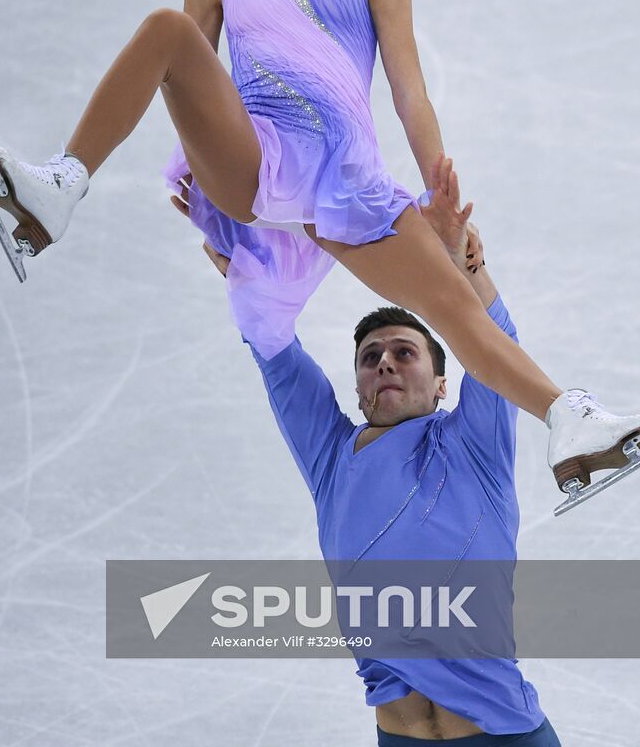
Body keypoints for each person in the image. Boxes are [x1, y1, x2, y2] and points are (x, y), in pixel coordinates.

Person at [0, 0, 640, 513]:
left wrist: (437, 189)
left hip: (347, 177)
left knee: (456, 308)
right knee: (167, 32)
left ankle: (568, 421)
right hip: (259, 159)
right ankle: (61, 186)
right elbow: (190, 86)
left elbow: (408, 89)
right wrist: (213, 207)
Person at [171, 157, 562, 745]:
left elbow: (496, 340)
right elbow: (274, 352)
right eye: (370, 356)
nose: (384, 362)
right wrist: (249, 281)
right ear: (357, 384)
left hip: (506, 736)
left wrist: (464, 263)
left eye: (405, 352)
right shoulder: (332, 460)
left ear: (442, 384)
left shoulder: (472, 444)